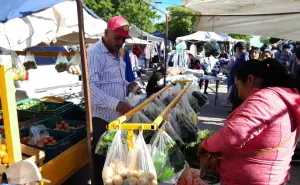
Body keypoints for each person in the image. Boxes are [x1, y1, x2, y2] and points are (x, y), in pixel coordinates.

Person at [200, 59, 300, 185]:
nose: (239, 93)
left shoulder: (265, 99)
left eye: (238, 86)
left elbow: (232, 136)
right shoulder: (278, 97)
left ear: (249, 80)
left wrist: (205, 145)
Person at [83, 16, 133, 185]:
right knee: (103, 168)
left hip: (117, 119)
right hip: (101, 120)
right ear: (106, 33)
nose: (120, 42)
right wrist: (116, 104)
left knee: (115, 167)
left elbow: (114, 81)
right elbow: (90, 89)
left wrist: (129, 85)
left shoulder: (118, 53)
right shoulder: (94, 53)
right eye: (117, 37)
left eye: (123, 39)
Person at [228, 42, 249, 110]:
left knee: (238, 99)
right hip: (236, 81)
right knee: (234, 98)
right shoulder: (241, 56)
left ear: (238, 49)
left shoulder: (244, 56)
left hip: (239, 81)